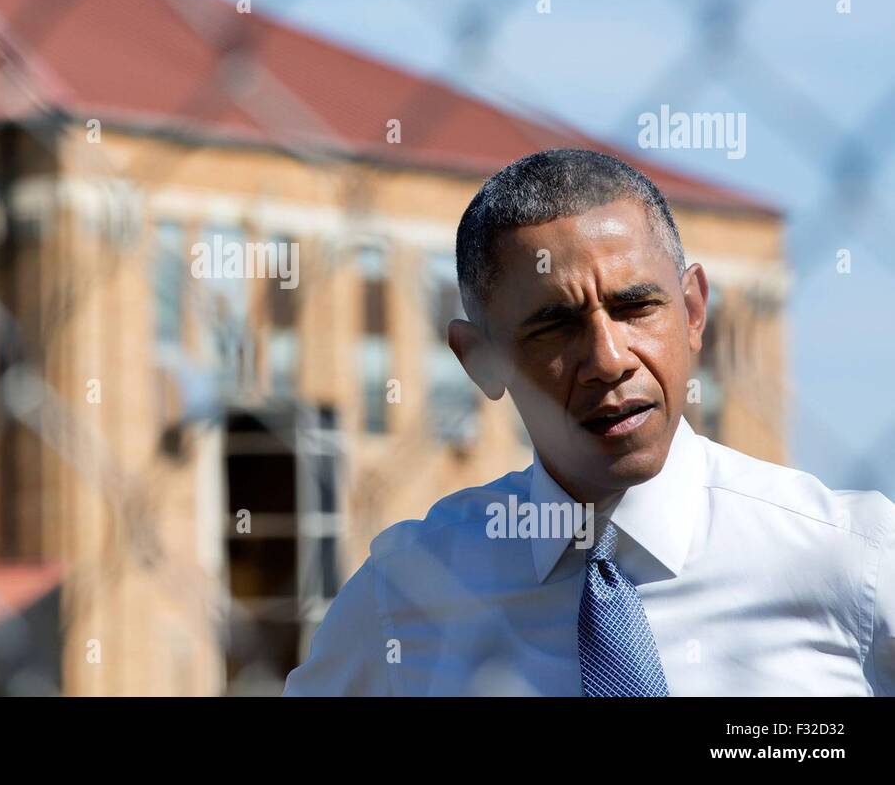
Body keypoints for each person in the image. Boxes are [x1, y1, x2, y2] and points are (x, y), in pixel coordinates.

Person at [285, 147, 895, 696]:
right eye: (554, 325)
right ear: (480, 361)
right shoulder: (405, 595)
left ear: (691, 312)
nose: (608, 359)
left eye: (636, 307)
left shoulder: (854, 562)